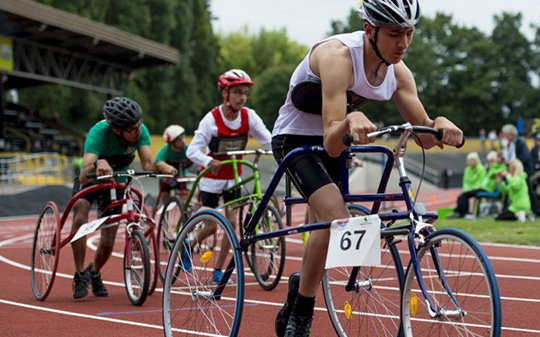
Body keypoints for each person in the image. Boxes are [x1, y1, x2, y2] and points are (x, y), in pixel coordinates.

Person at [270, 1, 463, 336]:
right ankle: (302, 313)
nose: (403, 44)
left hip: (337, 140)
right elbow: (331, 139)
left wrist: (440, 125)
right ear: (369, 30)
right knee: (333, 214)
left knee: (327, 222)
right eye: (394, 34)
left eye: (409, 33)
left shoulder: (399, 71)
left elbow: (425, 134)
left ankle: (302, 285)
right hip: (297, 140)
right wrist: (350, 117)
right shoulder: (337, 56)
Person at [71, 97, 177, 299]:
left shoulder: (139, 131)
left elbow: (147, 164)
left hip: (117, 180)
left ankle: (93, 273)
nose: (138, 132)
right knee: (79, 216)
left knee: (109, 237)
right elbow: (84, 172)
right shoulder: (98, 133)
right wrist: (98, 164)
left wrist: (160, 165)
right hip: (92, 180)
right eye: (132, 129)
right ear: (117, 129)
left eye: (139, 126)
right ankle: (78, 274)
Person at [185, 69, 272, 282]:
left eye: (245, 93)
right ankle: (189, 243)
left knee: (231, 223)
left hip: (233, 178)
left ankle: (218, 270)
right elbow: (192, 151)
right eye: (237, 92)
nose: (242, 97)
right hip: (211, 180)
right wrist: (208, 161)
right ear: (225, 94)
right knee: (212, 224)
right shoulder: (211, 120)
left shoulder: (249, 116)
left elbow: (268, 140)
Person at [501, 124, 540, 216]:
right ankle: (506, 209)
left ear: (512, 134)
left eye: (506, 134)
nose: (505, 137)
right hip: (514, 169)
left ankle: (538, 211)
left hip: (523, 170)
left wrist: (513, 163)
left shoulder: (520, 143)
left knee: (528, 189)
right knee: (512, 189)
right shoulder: (510, 144)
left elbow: (524, 157)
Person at [449, 151, 507, 218]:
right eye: (489, 161)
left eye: (492, 161)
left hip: (487, 189)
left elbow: (491, 174)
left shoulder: (499, 168)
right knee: (463, 195)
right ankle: (459, 211)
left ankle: (462, 213)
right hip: (483, 188)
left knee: (465, 195)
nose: (489, 163)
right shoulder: (492, 168)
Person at [156, 124, 191, 205]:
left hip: (182, 177)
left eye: (183, 137)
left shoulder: (188, 149)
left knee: (186, 201)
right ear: (172, 143)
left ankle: (185, 215)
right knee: (164, 197)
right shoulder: (164, 151)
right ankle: (164, 212)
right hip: (167, 179)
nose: (183, 141)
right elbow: (158, 162)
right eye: (180, 139)